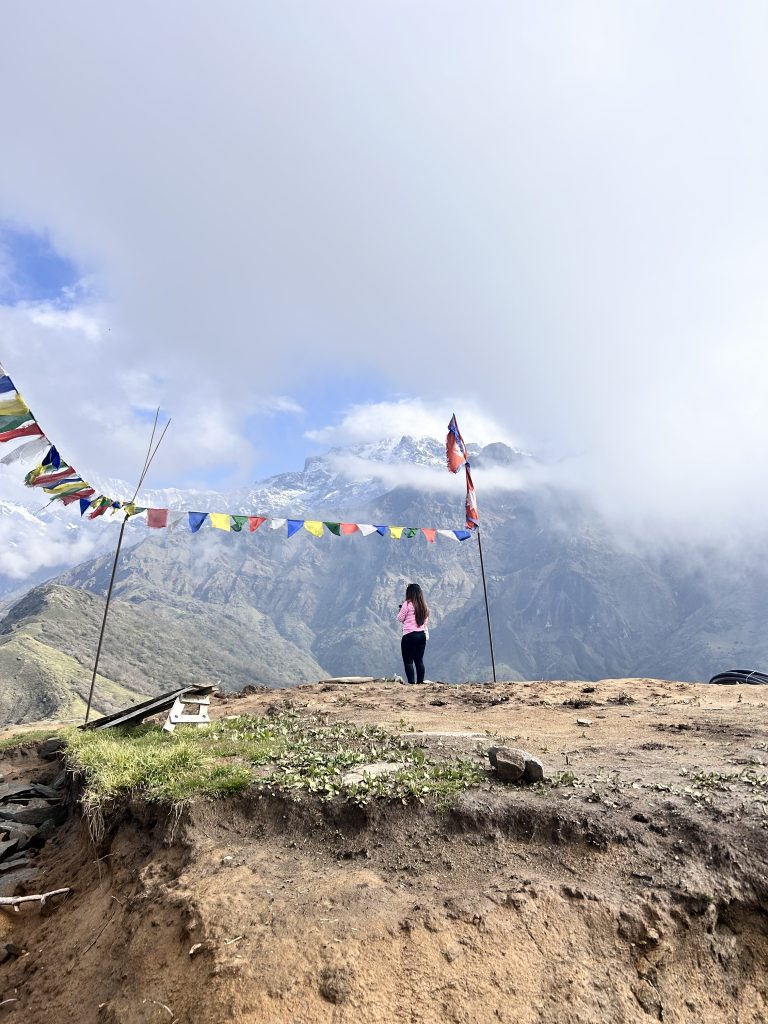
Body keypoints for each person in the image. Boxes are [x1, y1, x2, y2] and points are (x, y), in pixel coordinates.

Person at [397, 583, 429, 684]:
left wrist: (401, 610)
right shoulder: (424, 606)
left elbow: (400, 618)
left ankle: (411, 684)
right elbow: (425, 621)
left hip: (409, 635)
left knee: (408, 661)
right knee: (419, 661)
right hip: (421, 635)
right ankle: (420, 683)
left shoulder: (407, 604)